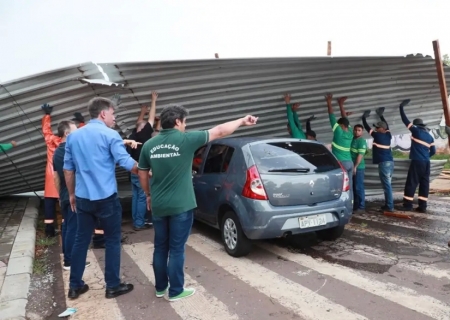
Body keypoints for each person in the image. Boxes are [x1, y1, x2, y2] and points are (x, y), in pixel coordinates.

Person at [137, 105, 258, 302]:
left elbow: (142, 173)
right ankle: (175, 291)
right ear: (177, 122)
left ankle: (161, 288)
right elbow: (219, 131)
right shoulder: (186, 140)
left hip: (159, 205)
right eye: (185, 122)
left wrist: (148, 194)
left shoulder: (149, 145)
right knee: (176, 248)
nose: (186, 125)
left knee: (160, 247)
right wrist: (242, 121)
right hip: (181, 205)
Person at [63, 97, 138, 300]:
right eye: (113, 114)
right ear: (103, 113)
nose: (114, 119)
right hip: (106, 199)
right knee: (112, 240)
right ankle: (112, 286)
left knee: (81, 240)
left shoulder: (73, 137)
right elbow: (126, 162)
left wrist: (71, 194)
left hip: (83, 198)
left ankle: (75, 286)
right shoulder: (110, 134)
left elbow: (68, 170)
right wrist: (148, 170)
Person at [52, 120, 91, 271]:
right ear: (67, 134)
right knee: (73, 228)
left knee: (67, 226)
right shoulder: (71, 150)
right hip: (73, 194)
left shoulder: (56, 152)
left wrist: (60, 196)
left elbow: (56, 177)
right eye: (75, 131)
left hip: (64, 194)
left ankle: (67, 257)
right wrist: (71, 194)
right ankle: (70, 261)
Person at [127, 91, 158, 230]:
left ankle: (136, 220)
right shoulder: (145, 134)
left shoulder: (133, 135)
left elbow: (139, 123)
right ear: (143, 129)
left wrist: (142, 112)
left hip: (132, 170)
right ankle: (139, 223)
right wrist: (153, 100)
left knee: (135, 197)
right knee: (141, 197)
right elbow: (151, 119)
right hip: (141, 170)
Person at [399, 100, 436, 213]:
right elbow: (433, 151)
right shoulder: (430, 137)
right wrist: (425, 156)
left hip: (417, 162)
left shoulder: (416, 131)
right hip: (426, 163)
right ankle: (422, 206)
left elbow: (405, 121)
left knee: (412, 182)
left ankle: (408, 205)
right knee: (424, 183)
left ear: (416, 125)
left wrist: (401, 107)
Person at [361, 107, 394, 213]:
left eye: (377, 127)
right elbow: (387, 126)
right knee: (387, 185)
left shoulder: (377, 135)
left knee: (387, 186)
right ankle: (388, 205)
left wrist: (363, 118)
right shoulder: (388, 135)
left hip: (384, 164)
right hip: (390, 163)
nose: (375, 128)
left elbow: (367, 128)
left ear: (381, 129)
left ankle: (389, 206)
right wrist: (381, 115)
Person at [325, 94, 354, 197]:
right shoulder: (350, 132)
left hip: (342, 164)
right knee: (349, 186)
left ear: (341, 126)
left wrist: (329, 102)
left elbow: (331, 116)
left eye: (338, 124)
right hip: (350, 163)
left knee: (341, 187)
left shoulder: (339, 132)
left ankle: (342, 204)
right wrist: (341, 104)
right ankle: (351, 205)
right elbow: (345, 119)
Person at [41, 103, 61, 238]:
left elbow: (46, 131)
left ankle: (49, 230)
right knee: (64, 203)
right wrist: (82, 123)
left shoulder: (51, 141)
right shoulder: (67, 143)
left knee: (49, 204)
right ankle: (65, 227)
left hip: (50, 176)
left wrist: (47, 115)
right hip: (62, 177)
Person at [350, 124, 367, 214]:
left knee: (358, 187)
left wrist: (355, 167)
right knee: (353, 187)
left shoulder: (362, 141)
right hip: (352, 166)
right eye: (356, 130)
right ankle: (355, 206)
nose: (357, 132)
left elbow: (360, 156)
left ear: (362, 131)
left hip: (358, 167)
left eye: (359, 130)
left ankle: (361, 206)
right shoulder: (353, 139)